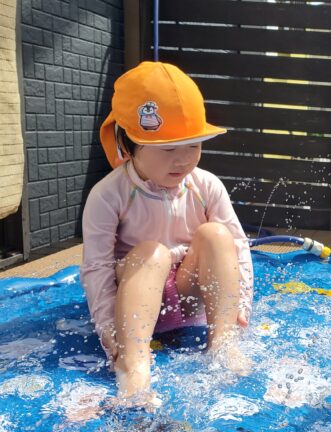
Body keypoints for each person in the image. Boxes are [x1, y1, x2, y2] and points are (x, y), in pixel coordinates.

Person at [80, 61, 254, 408]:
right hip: (135, 309)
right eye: (167, 148)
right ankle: (135, 366)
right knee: (151, 252)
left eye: (193, 145)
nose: (183, 160)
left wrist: (241, 304)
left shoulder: (205, 186)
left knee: (216, 234)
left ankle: (223, 342)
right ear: (129, 145)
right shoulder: (109, 194)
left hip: (190, 296)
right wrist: (110, 333)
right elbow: (96, 267)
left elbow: (237, 246)